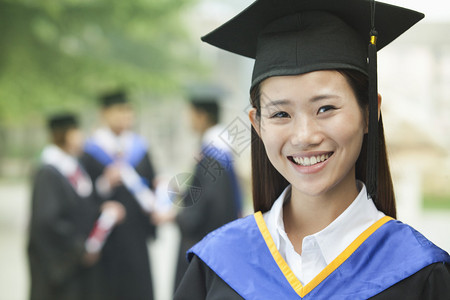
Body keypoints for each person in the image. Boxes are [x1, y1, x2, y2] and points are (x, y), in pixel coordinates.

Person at [174, 0, 450, 299]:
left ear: (370, 112)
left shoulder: (420, 273)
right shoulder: (218, 263)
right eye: (281, 114)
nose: (304, 136)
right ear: (257, 124)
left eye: (325, 108)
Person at [27, 113, 125, 300]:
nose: (83, 137)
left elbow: (79, 206)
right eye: (78, 132)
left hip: (78, 264)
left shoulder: (72, 166)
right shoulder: (48, 171)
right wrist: (79, 249)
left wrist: (102, 211)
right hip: (62, 265)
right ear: (66, 135)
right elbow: (47, 221)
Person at [80, 90, 157, 300]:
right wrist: (104, 184)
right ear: (104, 113)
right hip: (107, 238)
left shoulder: (139, 147)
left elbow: (151, 182)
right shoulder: (89, 151)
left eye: (128, 111)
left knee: (137, 287)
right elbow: (81, 194)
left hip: (135, 234)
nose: (125, 116)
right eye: (119, 111)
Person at [169, 86, 243, 291]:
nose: (189, 120)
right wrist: (184, 194)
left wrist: (177, 217)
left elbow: (206, 204)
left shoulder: (213, 154)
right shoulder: (219, 150)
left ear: (201, 116)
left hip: (203, 245)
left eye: (190, 114)